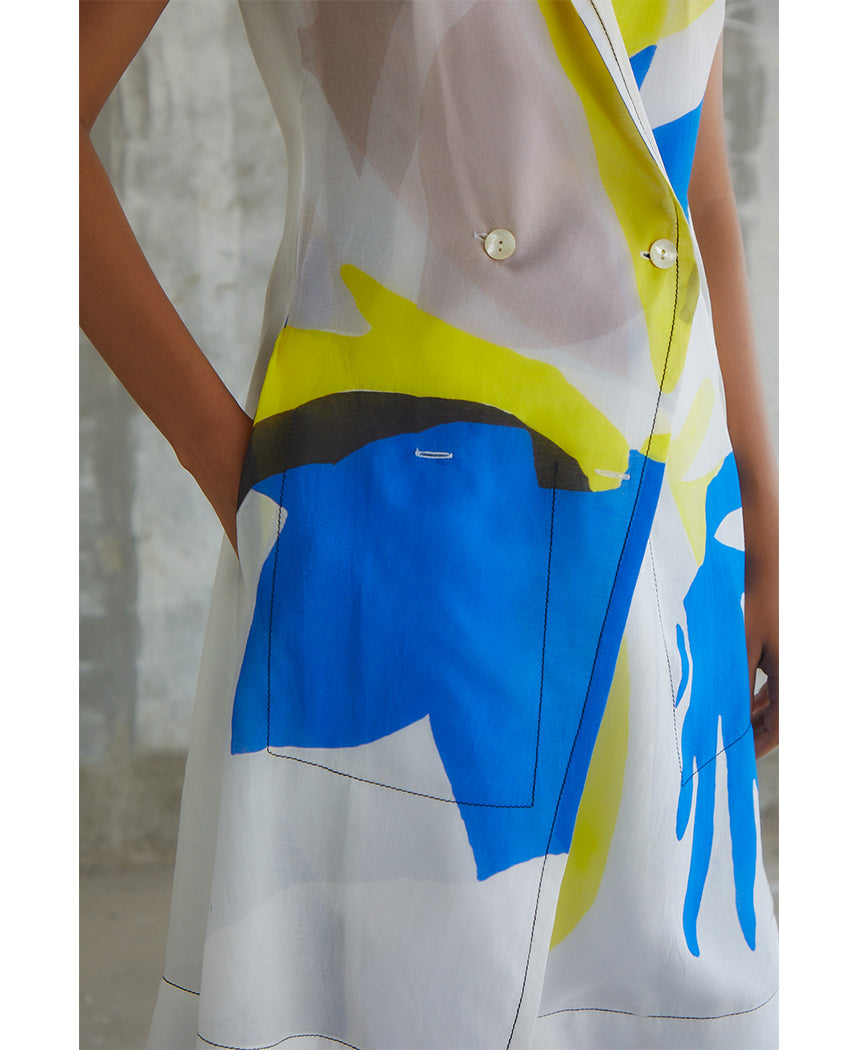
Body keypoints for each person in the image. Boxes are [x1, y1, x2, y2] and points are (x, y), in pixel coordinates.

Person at [80, 2, 779, 1048]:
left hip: (673, 544)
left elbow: (692, 183)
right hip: (401, 553)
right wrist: (250, 485)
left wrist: (763, 520)